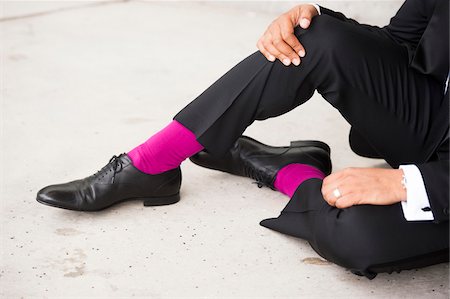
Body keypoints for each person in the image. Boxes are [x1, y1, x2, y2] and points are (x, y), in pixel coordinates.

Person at [36, 0, 449, 279]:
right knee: (317, 38)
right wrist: (314, 21)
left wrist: (410, 184)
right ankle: (150, 164)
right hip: (435, 123)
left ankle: (292, 173)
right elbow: (403, 43)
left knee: (359, 233)